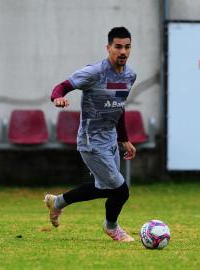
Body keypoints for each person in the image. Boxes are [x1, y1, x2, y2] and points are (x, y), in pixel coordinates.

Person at [44, 27, 137, 242]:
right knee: (121, 190)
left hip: (111, 140)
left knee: (102, 188)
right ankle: (111, 227)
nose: (123, 51)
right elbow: (61, 87)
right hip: (91, 141)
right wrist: (57, 98)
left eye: (127, 47)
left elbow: (119, 106)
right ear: (108, 48)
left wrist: (124, 140)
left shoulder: (129, 76)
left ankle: (57, 202)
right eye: (118, 47)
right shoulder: (94, 73)